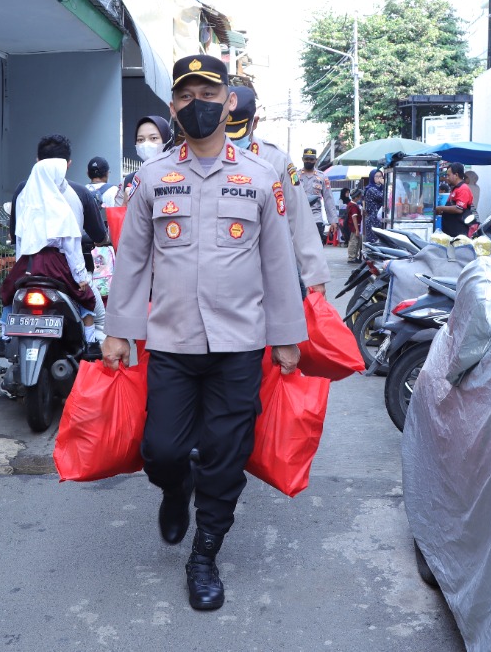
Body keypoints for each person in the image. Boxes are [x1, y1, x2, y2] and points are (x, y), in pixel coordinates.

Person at [102, 55, 306, 612]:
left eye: (208, 94)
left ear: (228, 103)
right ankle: (173, 487)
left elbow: (278, 265)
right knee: (161, 449)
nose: (198, 104)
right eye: (186, 96)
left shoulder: (262, 178)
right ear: (173, 107)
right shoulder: (152, 178)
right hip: (171, 341)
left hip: (241, 344)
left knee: (224, 455)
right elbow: (133, 260)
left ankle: (204, 556)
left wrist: (288, 335)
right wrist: (119, 330)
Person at [0, 135, 108, 358]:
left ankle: (4, 335)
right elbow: (72, 246)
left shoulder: (24, 192)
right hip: (60, 265)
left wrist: (21, 267)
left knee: (9, 292)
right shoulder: (71, 198)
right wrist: (81, 278)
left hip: (28, 264)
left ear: (38, 163)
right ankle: (91, 342)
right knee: (87, 298)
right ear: (66, 165)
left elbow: (18, 235)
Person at [224, 86, 331, 293]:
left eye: (238, 130)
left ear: (254, 122)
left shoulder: (275, 159)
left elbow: (299, 219)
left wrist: (315, 275)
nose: (231, 139)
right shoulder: (206, 157)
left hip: (268, 271)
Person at [118, 115, 173, 206]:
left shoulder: (180, 176)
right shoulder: (129, 181)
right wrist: (126, 203)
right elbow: (117, 218)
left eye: (153, 138)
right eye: (140, 139)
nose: (146, 144)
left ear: (167, 140)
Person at [299, 148, 336, 244]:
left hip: (316, 218)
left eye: (311, 159)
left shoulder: (322, 177)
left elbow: (329, 199)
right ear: (302, 159)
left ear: (315, 160)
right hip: (298, 218)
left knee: (316, 248)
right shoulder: (295, 176)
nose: (309, 161)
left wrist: (333, 221)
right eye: (306, 159)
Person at [435, 161, 475, 238]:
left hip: (458, 234)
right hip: (450, 232)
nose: (447, 178)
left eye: (448, 175)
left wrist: (440, 208)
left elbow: (458, 209)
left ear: (456, 175)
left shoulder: (463, 189)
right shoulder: (455, 188)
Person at [362, 168, 386, 244]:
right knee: (374, 243)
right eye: (376, 176)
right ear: (372, 177)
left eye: (380, 176)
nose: (379, 178)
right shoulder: (371, 189)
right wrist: (385, 185)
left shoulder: (379, 188)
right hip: (373, 220)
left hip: (379, 219)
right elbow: (384, 197)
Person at [346, 190, 363, 262]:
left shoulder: (351, 204)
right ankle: (352, 257)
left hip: (352, 226)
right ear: (356, 197)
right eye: (359, 196)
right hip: (353, 227)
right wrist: (357, 229)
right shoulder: (353, 206)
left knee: (356, 241)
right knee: (354, 242)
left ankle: (354, 256)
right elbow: (354, 217)